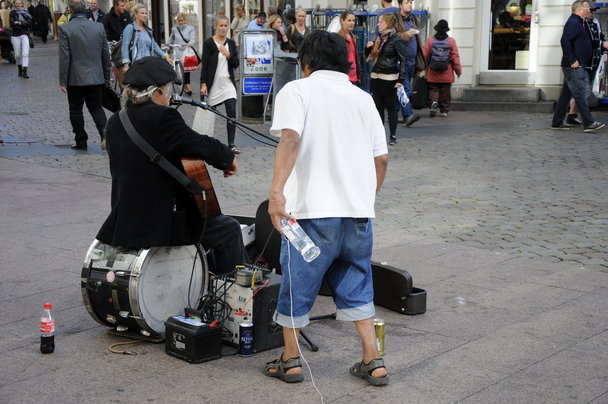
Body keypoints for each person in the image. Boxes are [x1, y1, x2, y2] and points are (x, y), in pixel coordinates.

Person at [264, 30, 389, 387]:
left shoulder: (297, 91)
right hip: (357, 213)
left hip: (309, 212)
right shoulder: (363, 98)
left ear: (306, 63)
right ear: (344, 63)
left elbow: (290, 139)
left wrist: (276, 194)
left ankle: (291, 360)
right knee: (357, 281)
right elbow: (381, 159)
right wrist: (365, 196)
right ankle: (373, 359)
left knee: (297, 284)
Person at [96, 56, 248, 275]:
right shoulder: (163, 117)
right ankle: (235, 287)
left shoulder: (115, 121)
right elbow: (198, 143)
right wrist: (227, 158)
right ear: (159, 90)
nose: (171, 96)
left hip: (124, 221)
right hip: (160, 223)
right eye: (169, 90)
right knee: (228, 229)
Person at [58, 0, 110, 150]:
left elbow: (65, 57)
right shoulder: (98, 27)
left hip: (75, 78)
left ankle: (81, 141)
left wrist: (63, 80)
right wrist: (107, 76)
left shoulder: (65, 28)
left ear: (70, 11)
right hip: (96, 76)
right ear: (85, 9)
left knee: (75, 109)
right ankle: (105, 134)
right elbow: (105, 54)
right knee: (96, 107)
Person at [551, 0, 604, 132]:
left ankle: (557, 122)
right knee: (580, 93)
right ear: (580, 10)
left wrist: (600, 44)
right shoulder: (574, 22)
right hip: (574, 66)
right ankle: (589, 123)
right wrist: (572, 59)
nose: (589, 11)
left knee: (565, 95)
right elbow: (564, 40)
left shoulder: (580, 22)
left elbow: (585, 41)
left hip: (577, 64)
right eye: (587, 9)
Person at [200, 16, 240, 153]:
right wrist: (203, 83)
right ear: (216, 26)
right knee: (209, 114)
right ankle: (206, 142)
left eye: (225, 25)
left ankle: (231, 144)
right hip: (214, 84)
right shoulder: (208, 43)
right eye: (221, 25)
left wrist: (228, 54)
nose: (223, 28)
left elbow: (236, 63)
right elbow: (205, 65)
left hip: (228, 83)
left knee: (231, 112)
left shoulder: (231, 43)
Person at [365, 12, 406, 146]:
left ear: (388, 23)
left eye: (380, 22)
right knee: (378, 109)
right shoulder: (379, 39)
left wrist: (401, 79)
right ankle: (380, 136)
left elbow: (403, 59)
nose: (378, 24)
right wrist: (368, 48)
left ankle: (392, 136)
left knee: (391, 108)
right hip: (376, 77)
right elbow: (370, 57)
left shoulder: (396, 39)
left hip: (389, 78)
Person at [422, 19, 461, 118]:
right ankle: (444, 110)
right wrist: (458, 71)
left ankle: (433, 102)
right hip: (447, 71)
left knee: (433, 89)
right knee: (445, 91)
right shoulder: (451, 41)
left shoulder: (430, 40)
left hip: (433, 70)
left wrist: (423, 68)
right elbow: (455, 58)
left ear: (436, 29)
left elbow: (424, 55)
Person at [120, 3, 168, 72]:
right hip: (136, 65)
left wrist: (165, 56)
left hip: (149, 64)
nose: (145, 15)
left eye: (146, 13)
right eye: (142, 13)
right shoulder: (130, 28)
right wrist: (126, 64)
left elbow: (154, 46)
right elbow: (125, 46)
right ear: (135, 15)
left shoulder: (148, 30)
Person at [396, 0, 421, 126]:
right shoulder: (395, 19)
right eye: (407, 2)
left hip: (412, 60)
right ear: (400, 4)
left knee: (400, 88)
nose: (410, 4)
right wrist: (405, 35)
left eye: (411, 2)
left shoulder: (413, 19)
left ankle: (393, 114)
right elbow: (391, 37)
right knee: (404, 87)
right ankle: (408, 114)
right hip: (400, 60)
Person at [169, 13, 195, 95]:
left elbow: (193, 39)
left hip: (186, 50)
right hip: (177, 50)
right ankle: (183, 84)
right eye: (179, 21)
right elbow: (171, 38)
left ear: (185, 20)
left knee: (186, 68)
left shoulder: (190, 29)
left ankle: (187, 85)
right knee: (178, 68)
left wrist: (189, 44)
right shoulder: (174, 29)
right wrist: (167, 44)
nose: (180, 22)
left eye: (182, 20)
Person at [9, 0, 32, 78]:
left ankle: (25, 71)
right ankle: (19, 68)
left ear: (22, 4)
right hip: (15, 35)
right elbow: (12, 24)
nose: (18, 4)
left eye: (19, 3)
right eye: (17, 3)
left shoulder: (26, 13)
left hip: (24, 34)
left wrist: (19, 23)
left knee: (25, 53)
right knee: (17, 54)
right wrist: (22, 24)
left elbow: (29, 23)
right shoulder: (12, 13)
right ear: (14, 4)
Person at [338, 10, 360, 85]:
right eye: (349, 20)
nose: (352, 23)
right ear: (342, 21)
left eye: (353, 20)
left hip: (354, 75)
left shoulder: (353, 37)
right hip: (344, 76)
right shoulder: (338, 37)